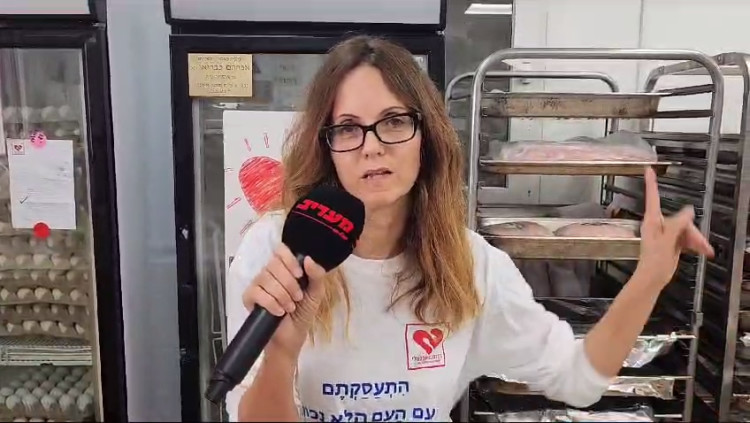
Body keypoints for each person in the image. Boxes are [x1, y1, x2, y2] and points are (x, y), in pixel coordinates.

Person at [225, 36, 714, 422]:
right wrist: (282, 352)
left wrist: (649, 278)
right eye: (348, 128)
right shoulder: (279, 249)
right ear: (326, 145)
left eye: (393, 121)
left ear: (426, 137)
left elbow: (578, 378)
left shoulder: (471, 266)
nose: (371, 146)